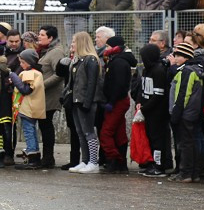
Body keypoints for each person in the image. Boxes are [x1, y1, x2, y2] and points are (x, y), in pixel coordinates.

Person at [168, 44, 204, 183]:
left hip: (185, 114)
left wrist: (176, 114)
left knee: (186, 144)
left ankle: (186, 173)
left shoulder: (187, 72)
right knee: (190, 143)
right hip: (191, 113)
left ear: (185, 57)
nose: (175, 58)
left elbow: (183, 94)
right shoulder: (193, 70)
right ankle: (194, 173)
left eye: (178, 55)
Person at [66, 32, 103, 175]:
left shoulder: (91, 60)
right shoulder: (78, 60)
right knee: (80, 132)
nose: (72, 44)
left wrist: (87, 102)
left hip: (86, 101)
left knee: (89, 132)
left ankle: (94, 162)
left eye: (74, 42)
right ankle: (85, 160)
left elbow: (92, 83)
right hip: (76, 100)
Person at [99, 35, 136, 173]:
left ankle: (114, 159)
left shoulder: (119, 63)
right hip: (117, 101)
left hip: (117, 102)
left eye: (108, 46)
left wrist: (112, 102)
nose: (106, 49)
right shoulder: (117, 61)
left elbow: (119, 85)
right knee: (119, 133)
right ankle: (121, 162)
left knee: (106, 133)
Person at [135, 43, 171, 177]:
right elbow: (141, 89)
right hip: (147, 110)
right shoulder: (146, 70)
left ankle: (159, 166)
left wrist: (145, 108)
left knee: (158, 140)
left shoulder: (159, 71)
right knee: (149, 137)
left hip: (157, 112)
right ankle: (151, 163)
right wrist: (139, 102)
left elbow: (158, 95)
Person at [9, 49, 46, 169]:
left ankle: (32, 158)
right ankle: (34, 154)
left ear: (29, 62)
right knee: (32, 132)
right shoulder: (38, 73)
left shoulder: (30, 73)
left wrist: (14, 77)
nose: (21, 65)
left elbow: (25, 89)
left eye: (22, 62)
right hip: (34, 107)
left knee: (29, 132)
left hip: (28, 108)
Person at [36, 25, 67, 169]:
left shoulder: (56, 52)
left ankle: (48, 158)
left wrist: (41, 84)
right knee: (44, 125)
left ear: (50, 38)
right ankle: (47, 157)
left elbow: (59, 74)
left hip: (50, 95)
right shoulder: (46, 51)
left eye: (42, 35)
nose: (39, 37)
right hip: (43, 95)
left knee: (46, 125)